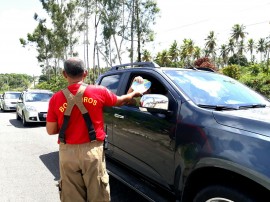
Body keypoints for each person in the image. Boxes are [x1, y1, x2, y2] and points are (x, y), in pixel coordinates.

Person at [46, 57, 141, 202]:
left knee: (72, 197)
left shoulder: (55, 99)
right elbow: (121, 100)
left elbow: (51, 130)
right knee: (98, 195)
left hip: (67, 153)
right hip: (92, 151)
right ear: (85, 73)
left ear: (64, 74)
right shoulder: (99, 91)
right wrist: (133, 92)